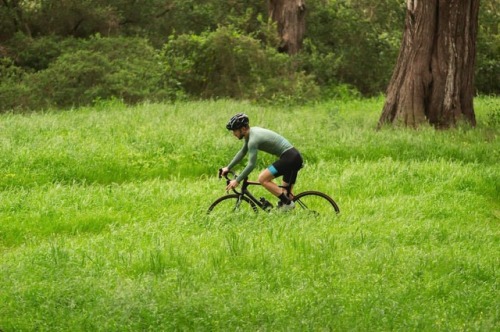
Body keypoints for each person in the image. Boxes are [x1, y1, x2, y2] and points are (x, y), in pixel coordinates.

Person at [221, 113, 303, 210]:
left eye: (234, 131)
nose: (233, 134)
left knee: (262, 178)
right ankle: (289, 210)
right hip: (293, 156)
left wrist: (238, 180)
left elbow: (251, 164)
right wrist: (228, 167)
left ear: (243, 129)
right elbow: (242, 152)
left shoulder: (253, 140)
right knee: (285, 194)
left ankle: (288, 203)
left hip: (290, 158)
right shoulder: (251, 133)